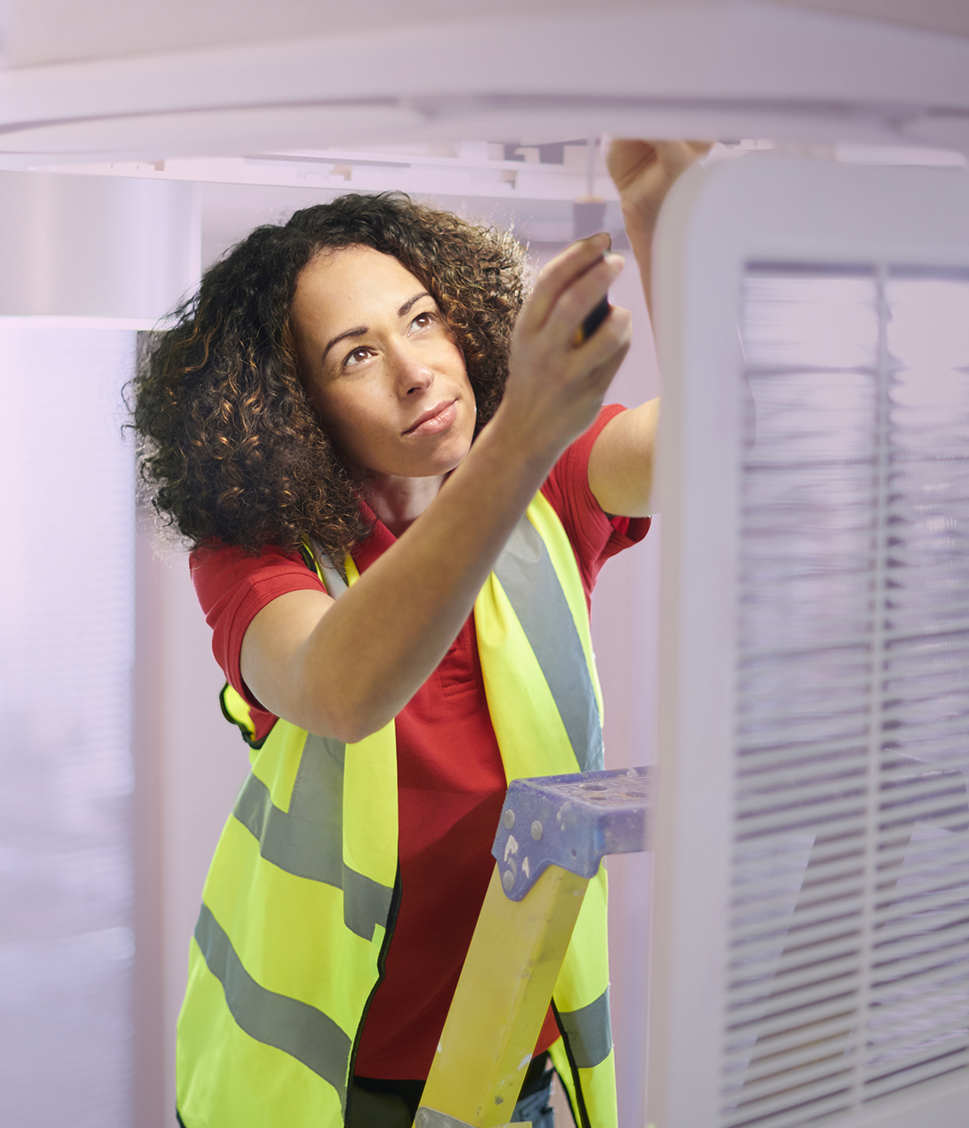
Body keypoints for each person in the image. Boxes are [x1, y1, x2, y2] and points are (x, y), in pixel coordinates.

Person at [129, 139, 711, 1128]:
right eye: (356, 354)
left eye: (421, 321)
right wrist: (521, 431)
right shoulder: (255, 559)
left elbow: (715, 441)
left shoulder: (547, 481)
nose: (413, 371)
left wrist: (665, 212)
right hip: (313, 1100)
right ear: (296, 410)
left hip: (510, 1080)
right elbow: (342, 686)